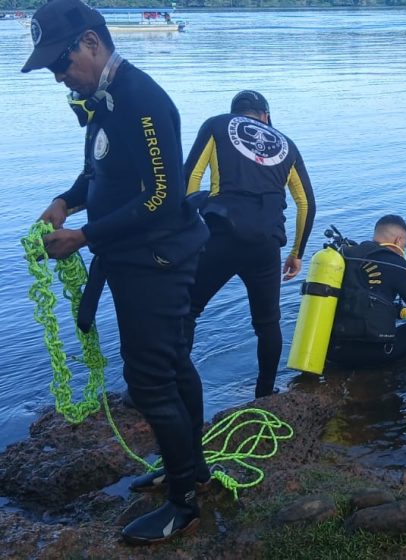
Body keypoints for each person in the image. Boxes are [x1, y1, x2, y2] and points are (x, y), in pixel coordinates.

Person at [23, 0, 210, 545]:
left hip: (158, 261)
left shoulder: (140, 98)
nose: (59, 75)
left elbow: (162, 195)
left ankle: (183, 504)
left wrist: (84, 236)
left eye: (60, 62)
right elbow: (101, 170)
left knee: (150, 382)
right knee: (174, 365)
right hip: (137, 258)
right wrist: (66, 200)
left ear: (90, 43)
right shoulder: (99, 97)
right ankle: (191, 468)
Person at [183, 90, 316, 398]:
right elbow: (306, 204)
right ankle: (265, 395)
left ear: (236, 113)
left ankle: (178, 386)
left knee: (187, 310)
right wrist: (296, 253)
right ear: (266, 118)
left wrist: (188, 231)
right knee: (268, 323)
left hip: (222, 236)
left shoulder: (217, 125)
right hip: (266, 244)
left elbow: (190, 178)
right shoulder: (287, 144)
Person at [327, 215, 406, 368]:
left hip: (331, 350)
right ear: (398, 241)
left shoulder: (345, 255)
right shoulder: (396, 264)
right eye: (405, 246)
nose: (403, 250)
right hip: (372, 354)